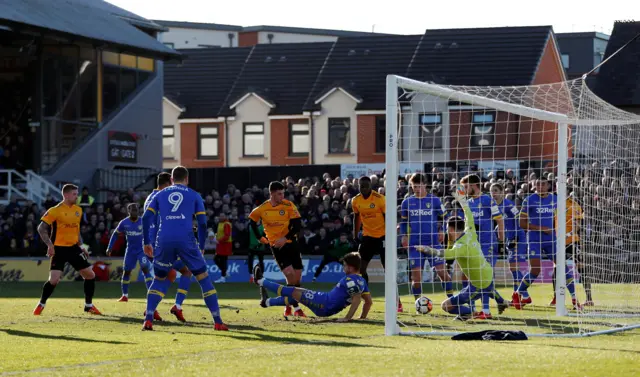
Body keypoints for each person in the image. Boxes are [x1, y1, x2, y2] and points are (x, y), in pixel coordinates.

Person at [142, 166, 228, 331]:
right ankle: (217, 321)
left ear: (172, 179)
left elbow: (146, 217)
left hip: (164, 239)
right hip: (186, 240)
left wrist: (147, 242)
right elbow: (202, 223)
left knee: (159, 279)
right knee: (203, 278)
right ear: (187, 179)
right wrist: (201, 246)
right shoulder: (194, 195)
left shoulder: (159, 194)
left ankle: (148, 319)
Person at [418, 185, 509, 320]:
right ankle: (501, 301)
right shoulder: (470, 231)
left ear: (453, 230)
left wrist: (426, 249)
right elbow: (468, 213)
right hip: (487, 273)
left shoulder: (460, 246)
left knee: (446, 306)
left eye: (448, 229)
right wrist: (462, 200)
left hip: (478, 283)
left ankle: (470, 313)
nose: (448, 231)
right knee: (487, 284)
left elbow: (444, 254)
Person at [33, 184, 101, 316]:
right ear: (66, 195)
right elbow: (41, 228)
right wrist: (50, 245)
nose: (77, 196)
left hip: (74, 248)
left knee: (90, 275)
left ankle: (88, 305)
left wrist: (82, 246)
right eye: (75, 194)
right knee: (54, 280)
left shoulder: (78, 210)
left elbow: (76, 230)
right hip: (59, 249)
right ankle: (41, 304)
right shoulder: (55, 210)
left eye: (77, 194)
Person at [513, 176, 579, 310]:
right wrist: (542, 228)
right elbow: (522, 223)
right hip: (534, 239)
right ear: (534, 186)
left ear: (548, 186)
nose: (540, 187)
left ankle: (574, 299)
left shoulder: (555, 200)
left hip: (551, 240)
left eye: (543, 184)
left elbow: (563, 216)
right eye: (537, 184)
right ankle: (518, 293)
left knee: (562, 267)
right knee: (535, 270)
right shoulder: (529, 200)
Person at [253, 252, 372, 322]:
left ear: (350, 268)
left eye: (344, 265)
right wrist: (362, 317)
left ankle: (261, 281)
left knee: (293, 290)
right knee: (297, 294)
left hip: (324, 304)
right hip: (325, 302)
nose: (343, 267)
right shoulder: (362, 281)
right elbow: (368, 302)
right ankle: (267, 302)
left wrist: (347, 318)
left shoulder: (351, 280)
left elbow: (356, 299)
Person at [249, 181, 306, 317]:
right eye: (279, 194)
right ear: (272, 194)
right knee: (290, 274)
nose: (282, 196)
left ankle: (288, 306)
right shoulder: (262, 208)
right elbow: (252, 221)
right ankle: (297, 309)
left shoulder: (288, 205)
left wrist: (285, 238)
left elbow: (297, 226)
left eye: (283, 193)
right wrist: (259, 238)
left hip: (292, 244)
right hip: (277, 247)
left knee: (296, 280)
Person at [144, 172, 193, 322]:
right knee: (186, 271)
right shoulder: (164, 198)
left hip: (151, 244)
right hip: (163, 244)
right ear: (169, 183)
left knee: (168, 275)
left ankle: (151, 310)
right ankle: (176, 306)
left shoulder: (149, 198)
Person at [400, 173, 453, 303]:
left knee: (443, 274)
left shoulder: (434, 200)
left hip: (433, 243)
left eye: (418, 186)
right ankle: (418, 303)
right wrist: (403, 235)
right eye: (413, 186)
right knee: (416, 278)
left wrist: (443, 231)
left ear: (425, 185)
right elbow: (403, 222)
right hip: (415, 246)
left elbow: (447, 217)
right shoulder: (407, 202)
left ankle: (452, 301)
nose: (416, 189)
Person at [460, 174, 504, 319]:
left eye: (466, 187)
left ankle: (486, 311)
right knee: (470, 275)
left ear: (474, 185)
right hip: (473, 245)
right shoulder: (469, 203)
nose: (465, 190)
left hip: (488, 243)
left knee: (485, 276)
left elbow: (499, 220)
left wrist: (501, 240)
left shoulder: (486, 200)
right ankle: (474, 308)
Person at [107, 204, 162, 321]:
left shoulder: (143, 221)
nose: (135, 212)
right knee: (126, 272)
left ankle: (150, 294)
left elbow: (151, 233)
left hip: (142, 251)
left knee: (146, 270)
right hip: (130, 251)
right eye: (133, 210)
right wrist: (110, 247)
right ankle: (125, 295)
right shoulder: (124, 223)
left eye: (136, 210)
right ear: (128, 211)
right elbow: (115, 235)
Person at [490, 183, 527, 294]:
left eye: (496, 190)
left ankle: (522, 294)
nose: (493, 193)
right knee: (513, 268)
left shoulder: (508, 204)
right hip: (508, 238)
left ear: (502, 192)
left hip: (517, 237)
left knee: (514, 266)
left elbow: (518, 219)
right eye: (492, 191)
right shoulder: (493, 206)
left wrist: (515, 237)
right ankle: (519, 295)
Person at [551, 191, 585, 308]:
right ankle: (556, 297)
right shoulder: (554, 204)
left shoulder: (574, 205)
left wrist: (570, 234)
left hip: (572, 240)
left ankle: (589, 298)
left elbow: (577, 224)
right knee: (557, 268)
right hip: (558, 242)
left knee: (581, 267)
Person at [214, 212, 232, 283]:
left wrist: (219, 240)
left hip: (225, 244)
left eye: (222, 216)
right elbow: (220, 233)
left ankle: (223, 276)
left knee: (221, 260)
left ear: (225, 216)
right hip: (221, 244)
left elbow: (227, 236)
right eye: (220, 216)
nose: (221, 217)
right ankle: (224, 272)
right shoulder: (220, 223)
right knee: (220, 260)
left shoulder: (226, 224)